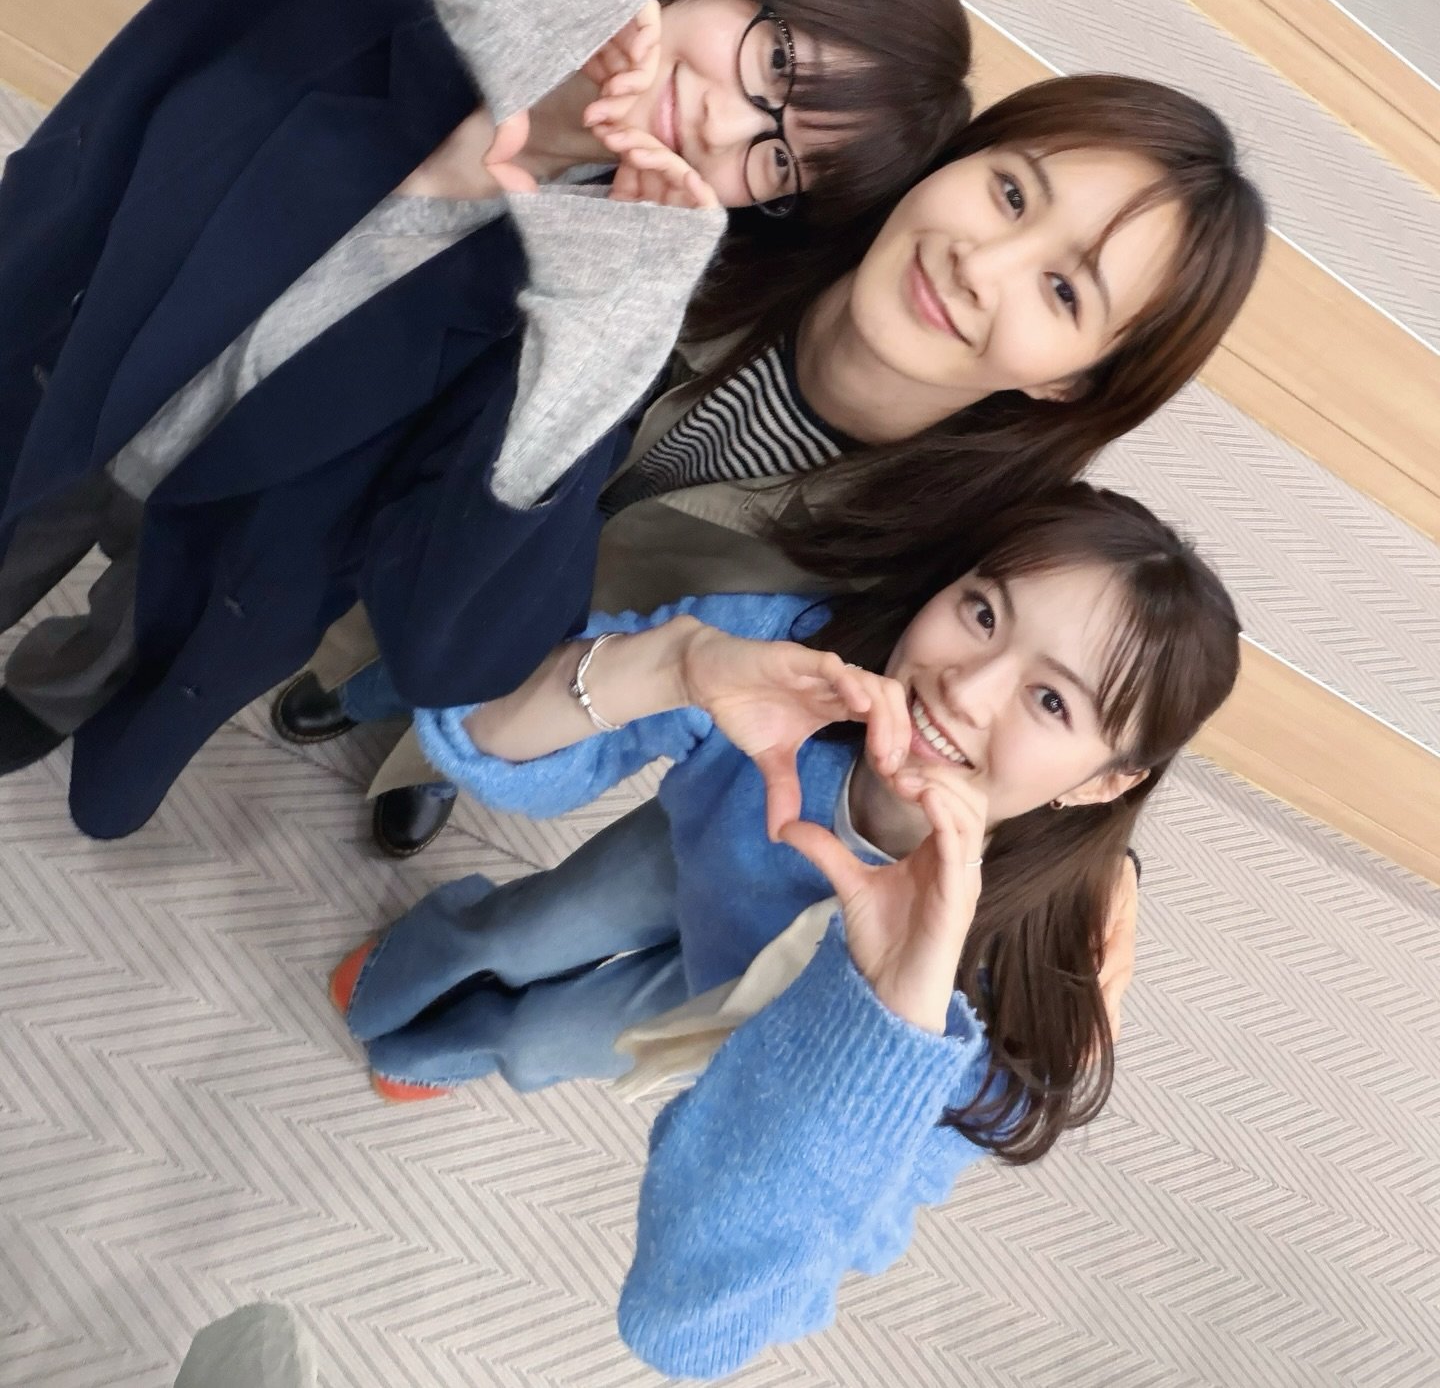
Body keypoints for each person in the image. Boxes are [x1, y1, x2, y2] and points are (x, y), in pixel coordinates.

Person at [0, 0, 971, 837]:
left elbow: (461, 647)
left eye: (778, 162)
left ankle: (37, 701)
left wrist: (599, 314)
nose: (725, 120)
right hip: (61, 351)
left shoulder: (594, 287)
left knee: (111, 642)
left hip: (216, 542)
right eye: (776, 61)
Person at [330, 485, 1241, 1378]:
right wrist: (668, 665)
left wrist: (892, 1022)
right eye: (982, 613)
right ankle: (405, 972)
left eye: (1052, 702)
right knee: (529, 928)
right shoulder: (800, 659)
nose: (966, 690)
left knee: (544, 1039)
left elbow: (703, 1324)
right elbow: (484, 733)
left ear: (1106, 782)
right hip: (698, 850)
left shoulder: (1036, 985)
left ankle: (457, 1040)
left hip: (753, 1016)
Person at [315, 70, 1266, 856]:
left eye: (1062, 290)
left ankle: (419, 758)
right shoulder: (754, 194)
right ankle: (343, 672)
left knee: (487, 683)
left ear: (1073, 382)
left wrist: (1098, 870)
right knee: (375, 592)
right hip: (418, 518)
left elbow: (1034, 729)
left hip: (560, 668)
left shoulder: (957, 551)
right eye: (1011, 193)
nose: (980, 265)